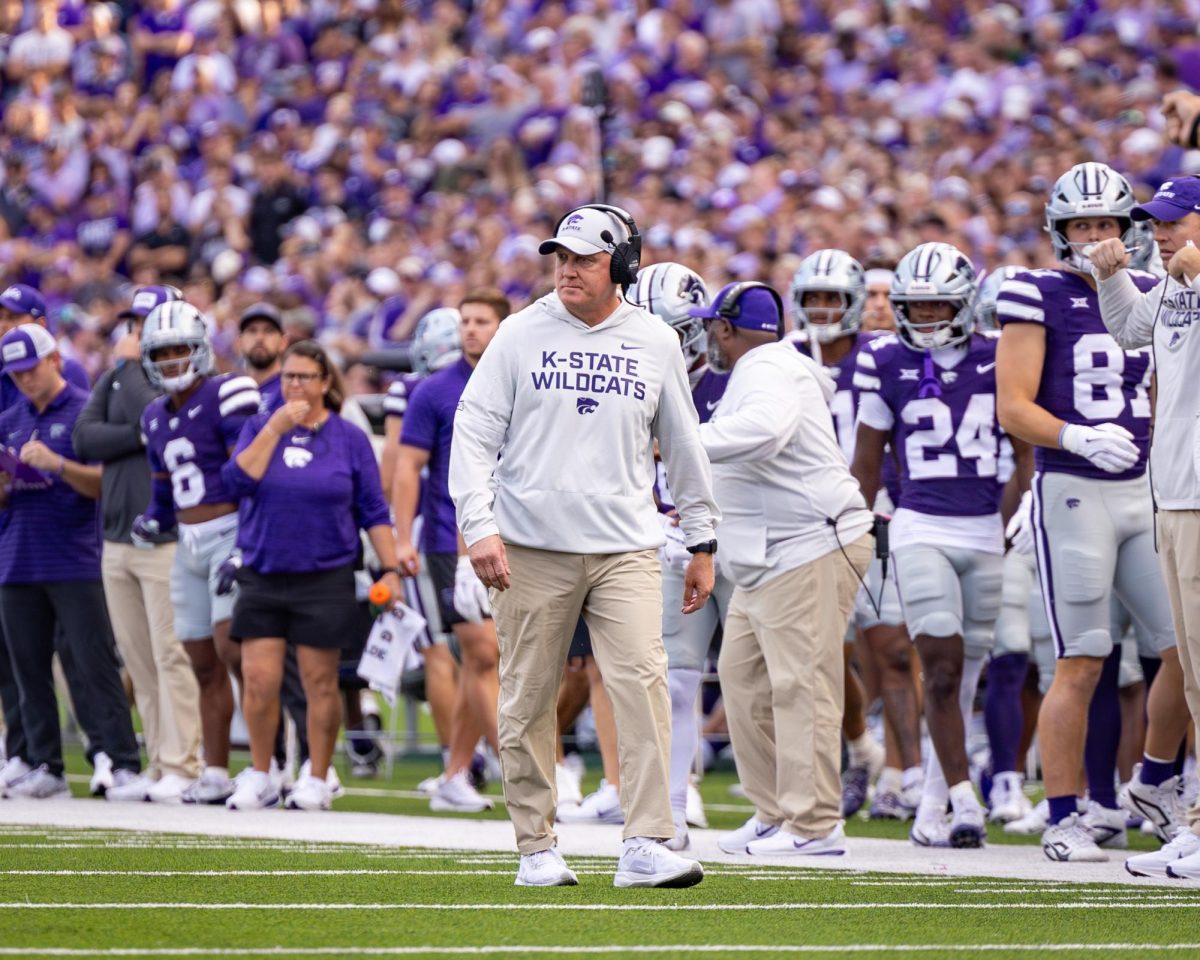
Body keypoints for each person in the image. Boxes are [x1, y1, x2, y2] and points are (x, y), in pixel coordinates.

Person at [449, 203, 719, 889]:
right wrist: (478, 526)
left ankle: (648, 839)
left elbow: (684, 445)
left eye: (585, 259)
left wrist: (702, 536)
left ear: (622, 265)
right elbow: (474, 433)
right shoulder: (519, 333)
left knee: (643, 686)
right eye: (561, 258)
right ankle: (536, 846)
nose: (568, 270)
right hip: (532, 544)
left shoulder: (655, 340)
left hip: (627, 544)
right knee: (529, 697)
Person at [996, 162, 1185, 863]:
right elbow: (1012, 405)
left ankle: (1157, 781)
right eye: (1084, 225)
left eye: (1107, 222)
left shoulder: (1151, 292)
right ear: (1060, 231)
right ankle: (1066, 813)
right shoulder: (1034, 291)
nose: (1097, 236)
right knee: (1081, 658)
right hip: (1073, 489)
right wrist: (1072, 435)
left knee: (1181, 652)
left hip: (1145, 489)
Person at [690, 280, 873, 858]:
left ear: (725, 328)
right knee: (742, 676)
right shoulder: (768, 366)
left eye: (712, 326)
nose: (708, 338)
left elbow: (765, 432)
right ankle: (774, 812)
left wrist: (682, 440)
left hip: (809, 545)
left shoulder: (767, 368)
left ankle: (816, 824)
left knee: (802, 685)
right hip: (771, 554)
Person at [851, 242, 1013, 849]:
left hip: (985, 527)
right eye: (913, 306)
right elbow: (867, 460)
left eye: (936, 305)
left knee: (968, 670)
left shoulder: (1000, 358)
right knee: (940, 665)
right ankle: (967, 801)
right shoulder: (884, 360)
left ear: (964, 303)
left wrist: (1013, 521)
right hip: (920, 524)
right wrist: (850, 518)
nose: (923, 317)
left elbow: (1021, 455)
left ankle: (933, 805)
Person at [220, 340, 402, 811]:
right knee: (258, 679)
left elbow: (372, 509)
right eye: (287, 377)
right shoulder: (261, 426)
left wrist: (391, 568)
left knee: (321, 681)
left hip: (325, 574)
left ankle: (318, 776)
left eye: (303, 376)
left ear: (325, 382)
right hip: (263, 569)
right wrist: (274, 430)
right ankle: (263, 772)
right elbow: (236, 482)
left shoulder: (348, 437)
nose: (294, 385)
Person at [1091, 174, 1200, 878]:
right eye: (1152, 221)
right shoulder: (1171, 289)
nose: (1157, 231)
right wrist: (1111, 279)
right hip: (1175, 494)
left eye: (1171, 220)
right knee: (1192, 673)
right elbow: (1130, 330)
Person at [787, 249, 919, 822]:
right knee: (823, 655)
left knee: (891, 650)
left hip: (876, 513)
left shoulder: (887, 354)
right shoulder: (781, 356)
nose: (821, 309)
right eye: (812, 298)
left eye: (832, 299)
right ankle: (860, 749)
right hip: (806, 523)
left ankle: (902, 773)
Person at [72, 283, 203, 803]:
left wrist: (129, 377)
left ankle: (183, 761)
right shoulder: (116, 378)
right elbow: (85, 438)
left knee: (172, 656)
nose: (135, 334)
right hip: (116, 533)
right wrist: (134, 420)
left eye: (144, 324)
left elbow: (162, 425)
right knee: (140, 659)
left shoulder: (150, 378)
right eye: (133, 325)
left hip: (164, 538)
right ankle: (158, 762)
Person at [0, 323, 142, 798]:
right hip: (18, 557)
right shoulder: (11, 417)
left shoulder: (83, 410)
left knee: (92, 663)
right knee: (27, 670)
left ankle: (121, 760)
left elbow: (103, 484)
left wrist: (57, 465)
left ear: (54, 360)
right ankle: (45, 764)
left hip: (76, 558)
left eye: (30, 369)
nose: (24, 380)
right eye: (15, 373)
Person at [135, 301, 262, 805]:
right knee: (202, 661)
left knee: (237, 653)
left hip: (230, 530)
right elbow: (165, 490)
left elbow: (249, 474)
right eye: (160, 353)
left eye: (178, 350)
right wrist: (153, 519)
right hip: (186, 544)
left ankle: (262, 766)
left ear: (199, 349)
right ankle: (213, 770)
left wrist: (246, 545)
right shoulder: (153, 416)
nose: (170, 361)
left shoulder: (228, 393)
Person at [630, 261, 731, 849]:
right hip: (659, 543)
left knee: (754, 679)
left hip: (733, 542)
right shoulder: (628, 380)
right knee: (672, 678)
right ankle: (670, 806)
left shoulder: (733, 378)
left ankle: (784, 811)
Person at [396, 293, 510, 813]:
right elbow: (406, 467)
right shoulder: (433, 390)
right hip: (450, 540)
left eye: (481, 321)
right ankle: (525, 771)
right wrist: (401, 538)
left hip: (511, 536)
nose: (470, 330)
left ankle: (455, 772)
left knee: (481, 663)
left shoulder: (518, 376)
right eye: (465, 321)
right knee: (484, 653)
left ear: (502, 326)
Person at [0, 284, 89, 411]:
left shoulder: (67, 368)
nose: (3, 325)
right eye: (0, 317)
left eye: (13, 317)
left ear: (40, 324)